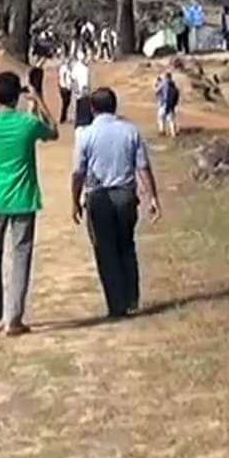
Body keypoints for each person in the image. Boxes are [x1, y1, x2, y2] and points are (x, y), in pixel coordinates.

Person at [0, 71, 58, 337]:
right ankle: (14, 318)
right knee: (20, 257)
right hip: (23, 198)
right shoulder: (27, 124)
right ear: (18, 96)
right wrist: (40, 100)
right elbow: (53, 132)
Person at [71, 88, 161, 318]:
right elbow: (143, 167)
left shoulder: (86, 134)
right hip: (125, 195)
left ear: (92, 109)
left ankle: (116, 304)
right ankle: (131, 298)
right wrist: (153, 198)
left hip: (98, 196)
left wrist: (75, 201)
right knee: (126, 247)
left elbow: (78, 173)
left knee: (105, 251)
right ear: (115, 106)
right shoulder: (130, 131)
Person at [66, 53, 94, 129]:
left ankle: (80, 122)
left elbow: (73, 79)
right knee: (85, 106)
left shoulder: (76, 68)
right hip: (84, 91)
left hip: (79, 91)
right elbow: (85, 82)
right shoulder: (85, 68)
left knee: (78, 107)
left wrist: (75, 90)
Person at [154, 70, 181, 137]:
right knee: (171, 120)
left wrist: (155, 85)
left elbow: (156, 92)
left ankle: (162, 131)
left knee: (160, 117)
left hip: (164, 103)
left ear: (165, 77)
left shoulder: (163, 83)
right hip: (171, 105)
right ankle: (173, 134)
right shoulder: (173, 84)